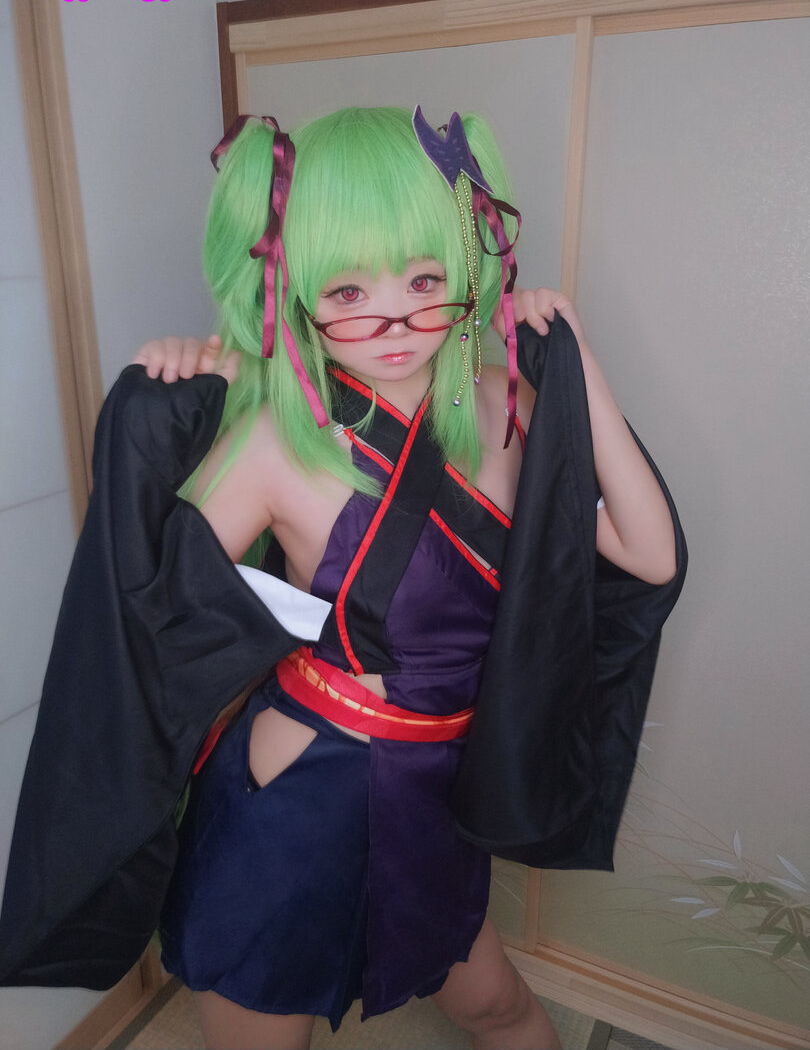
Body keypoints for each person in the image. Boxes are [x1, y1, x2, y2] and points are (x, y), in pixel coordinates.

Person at [0, 106, 683, 1050]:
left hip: (439, 785)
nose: (394, 319)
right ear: (295, 289)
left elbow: (649, 555)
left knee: (498, 1007)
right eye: (349, 289)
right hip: (299, 789)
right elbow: (149, 619)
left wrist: (572, 359)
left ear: (468, 269)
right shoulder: (274, 439)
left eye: (424, 279)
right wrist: (168, 416)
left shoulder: (512, 407)